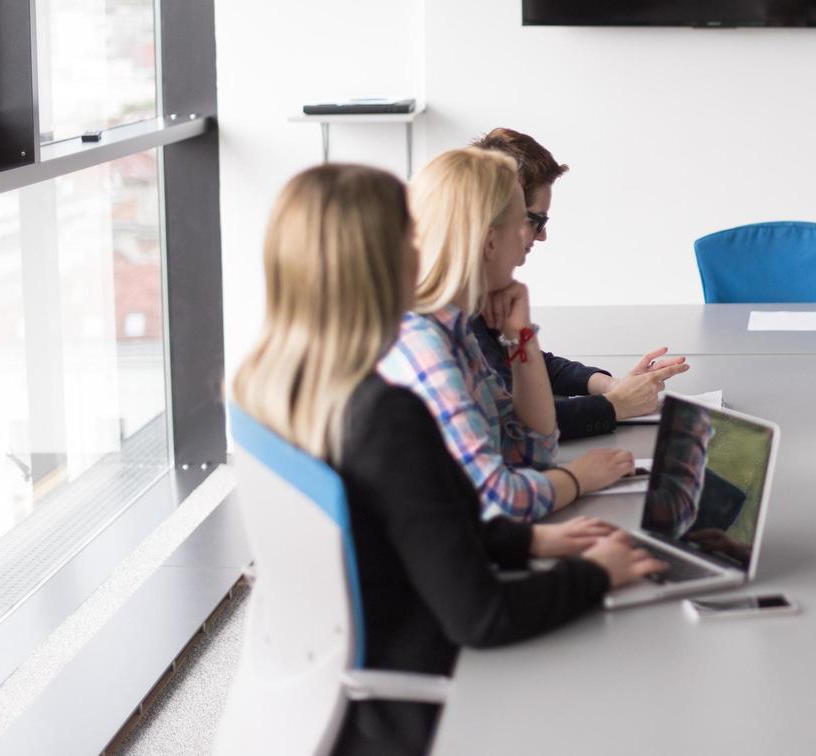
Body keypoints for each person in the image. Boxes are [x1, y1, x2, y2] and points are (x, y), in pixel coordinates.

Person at [230, 164, 663, 753]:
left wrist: (524, 544)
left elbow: (398, 521)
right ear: (383, 261)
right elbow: (481, 618)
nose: (424, 245)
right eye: (409, 235)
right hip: (411, 694)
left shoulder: (273, 385)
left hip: (327, 678)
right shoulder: (384, 415)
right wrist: (596, 572)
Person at [379, 148, 634, 521]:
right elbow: (500, 502)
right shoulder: (425, 348)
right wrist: (578, 478)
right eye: (523, 222)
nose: (534, 237)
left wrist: (522, 336)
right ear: (489, 241)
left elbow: (531, 450)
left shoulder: (455, 327)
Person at [471, 128, 689, 439]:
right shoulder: (453, 310)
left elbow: (521, 369)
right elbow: (511, 423)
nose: (542, 235)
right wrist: (615, 406)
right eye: (537, 220)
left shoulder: (485, 293)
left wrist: (611, 386)